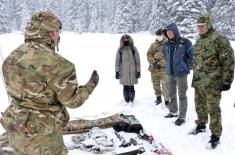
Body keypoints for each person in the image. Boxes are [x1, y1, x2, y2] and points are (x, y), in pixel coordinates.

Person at [0, 11, 99, 155]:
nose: (58, 35)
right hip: (44, 138)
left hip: (16, 129)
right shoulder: (59, 64)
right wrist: (90, 85)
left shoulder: (12, 57)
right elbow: (73, 101)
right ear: (52, 32)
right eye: (58, 31)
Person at [191, 15, 234, 149]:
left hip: (213, 82)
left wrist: (227, 80)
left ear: (208, 25)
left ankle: (215, 135)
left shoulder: (219, 39)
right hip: (199, 80)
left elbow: (229, 61)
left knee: (213, 108)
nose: (200, 28)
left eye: (202, 26)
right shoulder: (198, 40)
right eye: (198, 26)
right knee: (199, 104)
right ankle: (201, 124)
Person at [162, 23, 193, 126]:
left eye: (171, 31)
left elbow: (192, 56)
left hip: (181, 73)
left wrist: (186, 66)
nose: (169, 33)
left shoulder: (185, 42)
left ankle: (182, 116)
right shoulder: (165, 45)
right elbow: (166, 57)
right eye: (167, 32)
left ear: (175, 31)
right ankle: (173, 111)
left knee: (182, 94)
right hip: (169, 72)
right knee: (171, 93)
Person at [147, 28, 170, 106]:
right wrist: (152, 61)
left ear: (163, 35)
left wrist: (160, 63)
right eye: (157, 35)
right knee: (155, 83)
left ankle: (167, 100)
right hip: (154, 68)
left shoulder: (168, 45)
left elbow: (169, 57)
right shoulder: (153, 45)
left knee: (165, 85)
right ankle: (158, 98)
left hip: (164, 69)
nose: (159, 36)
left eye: (160, 35)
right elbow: (149, 54)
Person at [115, 34, 141, 104]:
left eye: (127, 39)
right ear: (122, 40)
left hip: (132, 71)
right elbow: (117, 61)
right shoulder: (120, 50)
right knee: (125, 86)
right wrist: (117, 72)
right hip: (124, 72)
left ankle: (131, 101)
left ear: (130, 40)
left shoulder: (133, 48)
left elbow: (137, 61)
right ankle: (126, 101)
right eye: (124, 39)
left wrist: (138, 71)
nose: (126, 40)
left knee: (131, 86)